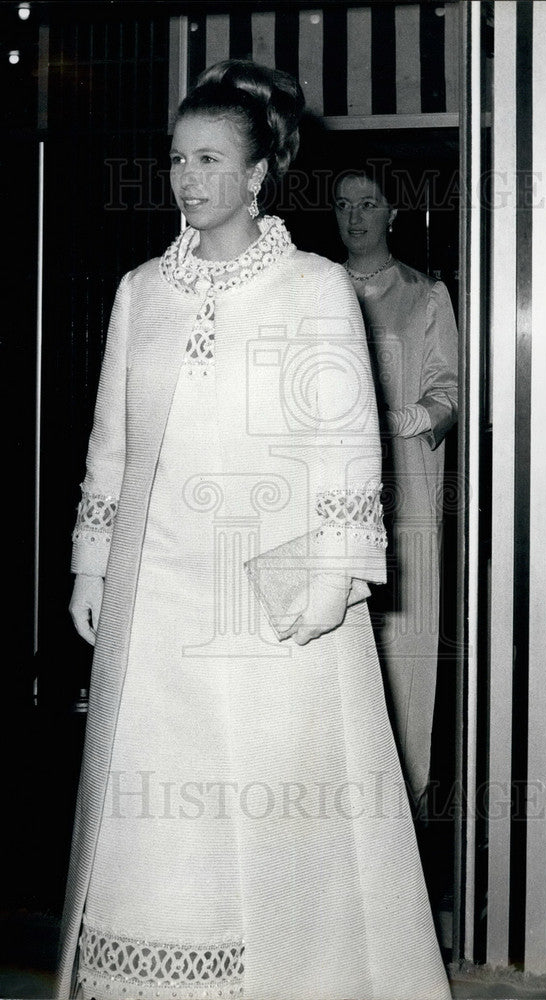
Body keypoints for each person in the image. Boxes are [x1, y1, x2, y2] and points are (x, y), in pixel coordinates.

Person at [56, 61, 451, 1000]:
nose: (187, 178)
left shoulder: (313, 288)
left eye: (209, 159)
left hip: (268, 598)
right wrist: (91, 564)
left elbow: (347, 444)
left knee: (271, 814)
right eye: (175, 159)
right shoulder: (140, 292)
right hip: (155, 600)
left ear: (258, 173)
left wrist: (333, 575)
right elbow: (111, 442)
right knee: (155, 806)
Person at [333, 166, 458, 813]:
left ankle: (404, 799)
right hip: (330, 493)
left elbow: (450, 391)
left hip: (403, 491)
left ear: (393, 213)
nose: (355, 216)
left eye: (369, 203)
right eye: (344, 204)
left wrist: (409, 417)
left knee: (403, 643)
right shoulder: (316, 287)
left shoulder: (424, 294)